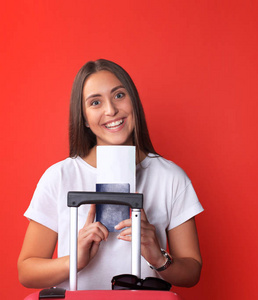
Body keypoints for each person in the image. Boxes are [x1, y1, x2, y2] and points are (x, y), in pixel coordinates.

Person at [18, 59, 204, 290]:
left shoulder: (171, 177)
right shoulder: (59, 177)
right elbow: (26, 271)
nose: (111, 110)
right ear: (84, 118)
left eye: (118, 95)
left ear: (134, 101)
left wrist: (158, 257)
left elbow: (192, 271)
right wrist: (74, 260)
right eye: (95, 102)